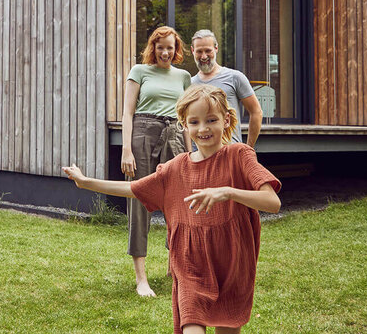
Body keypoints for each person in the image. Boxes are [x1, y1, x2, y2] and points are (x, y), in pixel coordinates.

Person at [64, 85, 281, 334]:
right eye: (194, 122)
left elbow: (272, 202)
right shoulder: (176, 168)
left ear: (226, 119)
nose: (203, 129)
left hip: (232, 264)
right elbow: (133, 188)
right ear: (184, 126)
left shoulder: (239, 155)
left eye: (211, 120)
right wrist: (87, 182)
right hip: (190, 265)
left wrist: (228, 192)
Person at [121, 26, 192, 297]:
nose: (165, 52)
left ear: (176, 49)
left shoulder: (184, 76)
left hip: (174, 133)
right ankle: (141, 278)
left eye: (170, 47)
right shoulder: (139, 71)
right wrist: (126, 149)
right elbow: (127, 113)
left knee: (178, 200)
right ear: (153, 47)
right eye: (160, 46)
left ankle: (174, 267)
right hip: (143, 132)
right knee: (139, 199)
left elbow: (186, 119)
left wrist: (190, 154)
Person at [190, 29, 263, 147]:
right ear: (193, 51)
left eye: (208, 51)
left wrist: (248, 148)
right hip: (199, 156)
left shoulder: (235, 77)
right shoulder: (189, 84)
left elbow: (256, 112)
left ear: (216, 48)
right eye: (199, 51)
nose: (203, 56)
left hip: (229, 153)